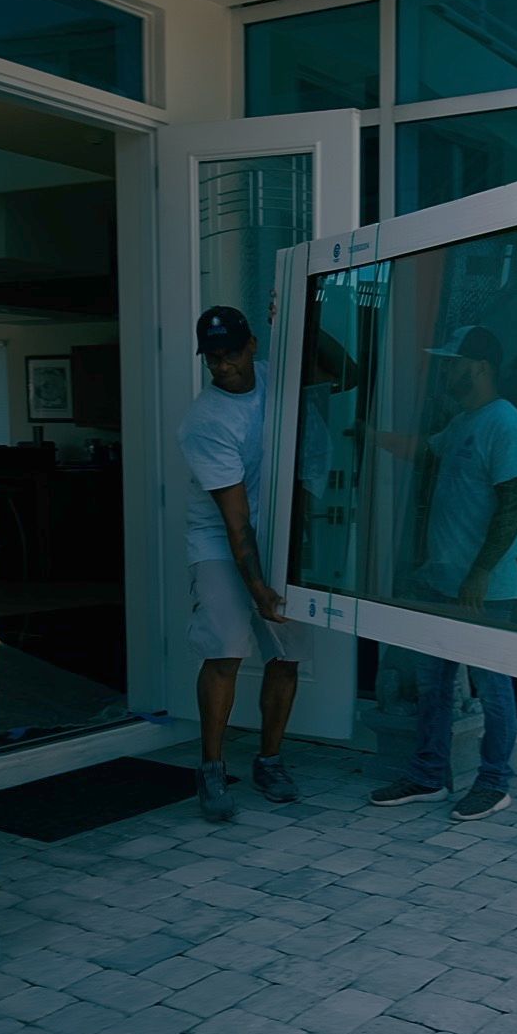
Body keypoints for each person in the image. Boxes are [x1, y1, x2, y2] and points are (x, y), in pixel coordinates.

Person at [370, 326, 517, 822]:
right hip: (440, 582)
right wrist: (367, 436)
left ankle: (494, 782)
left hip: (480, 590)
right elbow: (427, 450)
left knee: (493, 687)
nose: (447, 370)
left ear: (480, 367)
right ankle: (427, 777)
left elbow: (514, 502)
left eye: (454, 362)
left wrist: (481, 574)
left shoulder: (507, 425)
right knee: (434, 684)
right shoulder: (466, 421)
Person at [177, 305, 303, 822]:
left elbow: (346, 376)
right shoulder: (204, 422)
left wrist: (299, 314)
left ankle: (269, 761)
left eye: (230, 353)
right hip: (218, 540)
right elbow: (235, 523)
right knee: (226, 651)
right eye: (212, 358)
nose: (222, 366)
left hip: (276, 531)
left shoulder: (279, 376)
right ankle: (211, 768)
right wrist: (260, 591)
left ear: (252, 345)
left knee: (287, 653)